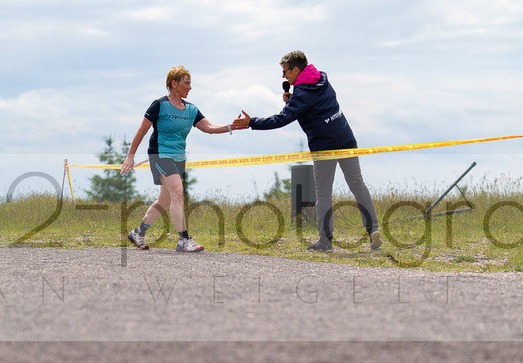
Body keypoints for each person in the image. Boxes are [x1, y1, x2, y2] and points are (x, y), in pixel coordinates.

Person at [232, 51, 381, 252]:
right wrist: (293, 102)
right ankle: (373, 229)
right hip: (346, 138)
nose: (283, 77)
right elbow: (314, 105)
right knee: (357, 184)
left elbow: (281, 119)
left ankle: (325, 242)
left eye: (285, 72)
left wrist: (252, 123)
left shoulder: (302, 94)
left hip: (324, 146)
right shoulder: (322, 78)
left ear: (296, 70)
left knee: (323, 193)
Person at [121, 66, 234, 252]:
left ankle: (137, 233)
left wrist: (231, 127)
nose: (190, 87)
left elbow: (209, 127)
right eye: (186, 83)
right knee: (178, 193)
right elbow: (142, 130)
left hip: (178, 158)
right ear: (174, 84)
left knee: (165, 200)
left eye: (190, 83)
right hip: (159, 154)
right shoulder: (159, 105)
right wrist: (130, 156)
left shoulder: (191, 109)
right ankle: (184, 239)